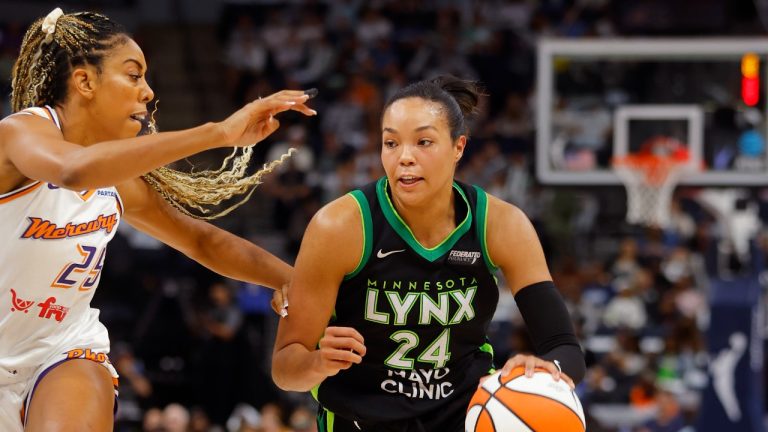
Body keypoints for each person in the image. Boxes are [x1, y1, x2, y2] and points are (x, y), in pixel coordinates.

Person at [0, 8, 315, 432]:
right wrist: (218, 133)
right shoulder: (20, 133)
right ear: (85, 82)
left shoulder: (118, 178)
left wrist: (291, 280)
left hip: (59, 349)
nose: (148, 92)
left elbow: (201, 241)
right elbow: (73, 170)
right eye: (133, 75)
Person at [272, 76, 585, 430]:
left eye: (423, 142)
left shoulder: (501, 224)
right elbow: (285, 368)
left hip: (462, 412)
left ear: (458, 147)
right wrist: (318, 363)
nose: (404, 157)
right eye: (391, 143)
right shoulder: (340, 227)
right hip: (361, 416)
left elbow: (563, 346)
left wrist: (548, 369)